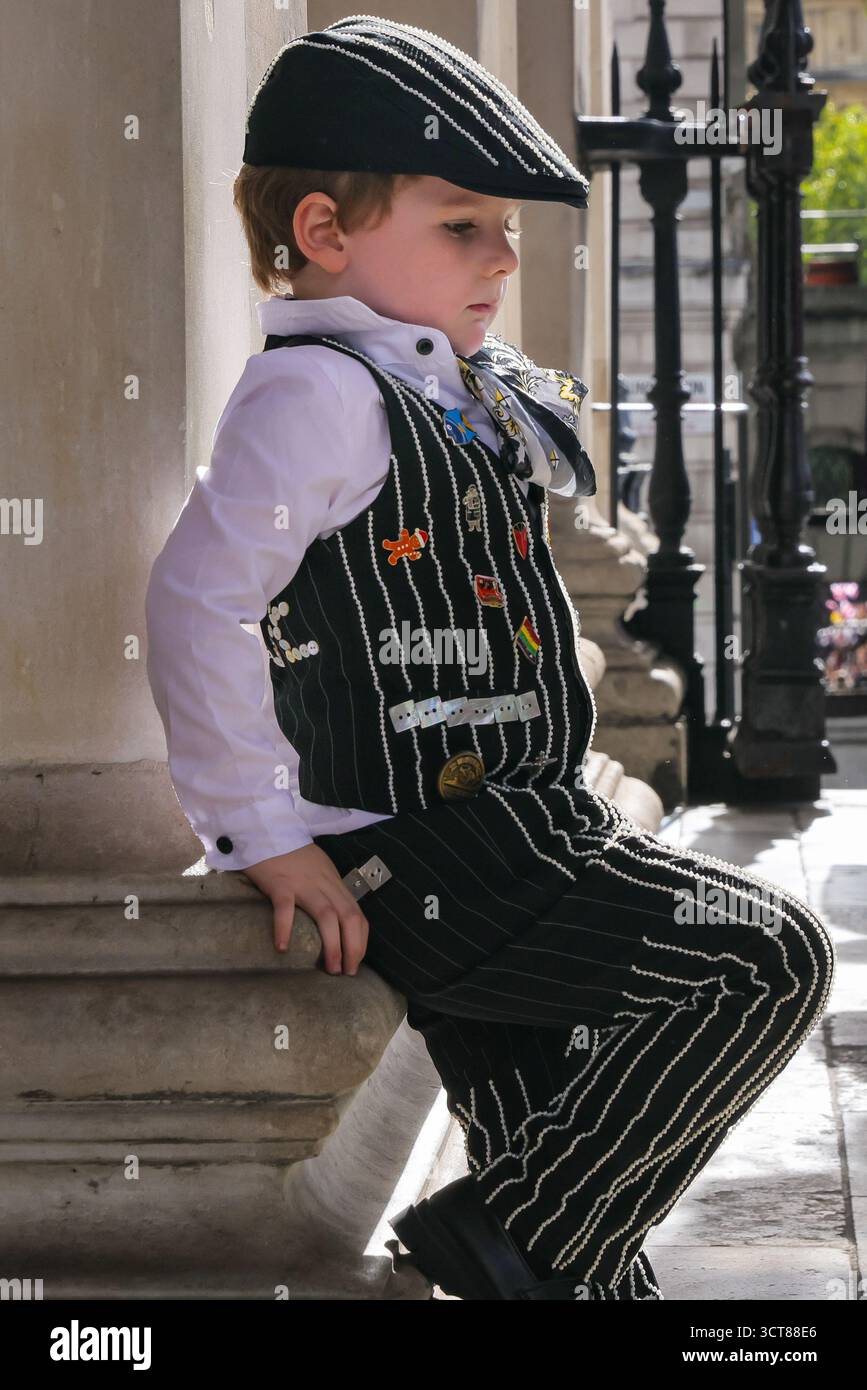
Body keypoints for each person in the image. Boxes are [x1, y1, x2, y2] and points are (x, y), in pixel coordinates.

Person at [145, 15, 836, 1301]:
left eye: (505, 229)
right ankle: (496, 1237)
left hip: (524, 821)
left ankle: (529, 1244)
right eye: (462, 223)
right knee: (764, 956)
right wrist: (261, 828)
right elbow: (197, 601)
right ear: (323, 231)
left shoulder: (444, 387)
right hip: (431, 840)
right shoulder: (322, 396)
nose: (505, 257)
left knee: (566, 1188)